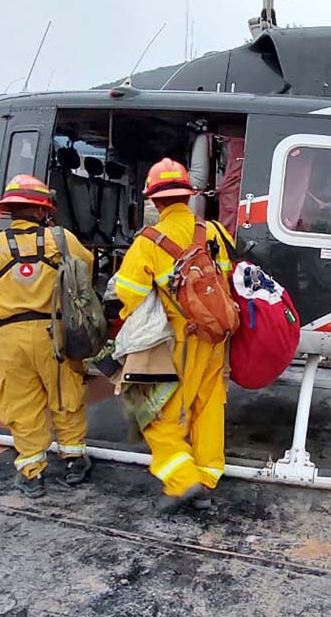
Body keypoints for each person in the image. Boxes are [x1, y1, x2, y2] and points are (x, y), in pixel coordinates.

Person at [0, 174, 95, 498]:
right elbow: (85, 269)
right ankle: (74, 460)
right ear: (42, 209)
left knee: (21, 403)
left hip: (10, 338)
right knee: (66, 395)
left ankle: (32, 471)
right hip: (57, 334)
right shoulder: (63, 240)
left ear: (10, 210)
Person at [111, 158, 234, 511]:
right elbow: (227, 279)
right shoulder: (213, 232)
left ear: (154, 200)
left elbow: (130, 293)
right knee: (209, 406)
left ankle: (183, 480)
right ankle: (207, 475)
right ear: (188, 195)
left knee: (156, 412)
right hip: (217, 335)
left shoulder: (149, 240)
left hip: (179, 338)